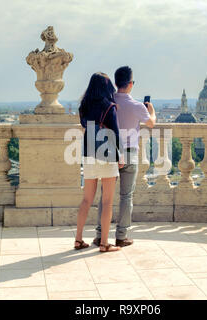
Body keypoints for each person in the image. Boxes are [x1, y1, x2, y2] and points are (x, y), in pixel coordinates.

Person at [93, 66, 156, 248]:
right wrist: (151, 110)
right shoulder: (137, 106)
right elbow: (151, 123)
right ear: (130, 84)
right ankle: (121, 235)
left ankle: (100, 234)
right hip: (129, 153)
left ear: (115, 83)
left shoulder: (107, 103)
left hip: (109, 152)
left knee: (105, 196)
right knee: (126, 196)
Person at [75, 72, 124, 253]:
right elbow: (116, 134)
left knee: (86, 200)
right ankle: (104, 243)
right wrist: (121, 156)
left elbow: (84, 125)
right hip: (107, 155)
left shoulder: (83, 106)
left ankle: (78, 239)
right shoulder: (109, 106)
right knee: (108, 201)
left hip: (89, 154)